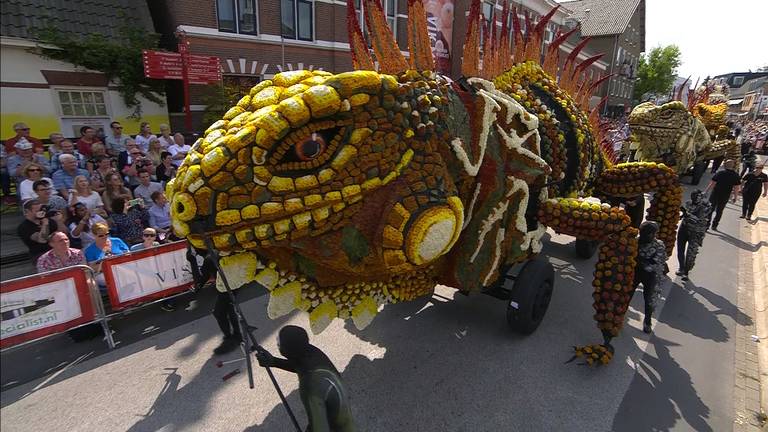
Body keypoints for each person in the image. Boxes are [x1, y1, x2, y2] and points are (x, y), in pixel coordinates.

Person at [256, 325, 355, 432]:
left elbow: (320, 428)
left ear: (285, 351)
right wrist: (274, 362)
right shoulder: (311, 351)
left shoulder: (309, 385)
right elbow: (299, 365)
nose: (276, 342)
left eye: (279, 342)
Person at [633, 221, 668, 334]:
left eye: (650, 234)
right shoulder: (635, 242)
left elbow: (656, 264)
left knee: (649, 300)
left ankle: (647, 322)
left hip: (650, 276)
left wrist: (640, 261)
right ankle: (620, 316)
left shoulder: (659, 245)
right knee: (627, 295)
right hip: (635, 273)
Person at [676, 190, 712, 281]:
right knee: (680, 249)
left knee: (691, 253)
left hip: (696, 232)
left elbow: (698, 218)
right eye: (693, 196)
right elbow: (685, 214)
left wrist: (686, 213)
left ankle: (686, 272)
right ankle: (681, 267)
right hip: (684, 228)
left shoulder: (705, 206)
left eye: (697, 196)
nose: (695, 198)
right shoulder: (689, 203)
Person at [84, 222, 130, 287]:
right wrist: (105, 263)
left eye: (106, 234)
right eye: (101, 235)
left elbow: (129, 255)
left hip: (122, 267)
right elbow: (93, 268)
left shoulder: (117, 240)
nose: (105, 237)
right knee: (113, 278)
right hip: (103, 273)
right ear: (94, 235)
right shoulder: (89, 250)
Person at [17, 199, 63, 264]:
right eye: (37, 210)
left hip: (57, 250)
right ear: (27, 211)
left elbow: (64, 233)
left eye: (41, 209)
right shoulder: (24, 227)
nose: (41, 212)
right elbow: (42, 239)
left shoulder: (49, 220)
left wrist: (59, 220)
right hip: (40, 254)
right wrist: (45, 223)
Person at [705, 159, 741, 231]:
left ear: (725, 165)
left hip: (715, 193)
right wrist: (735, 197)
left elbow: (712, 183)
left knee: (710, 209)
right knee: (719, 210)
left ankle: (706, 225)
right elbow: (736, 188)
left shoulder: (720, 173)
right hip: (725, 195)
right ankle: (714, 225)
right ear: (733, 166)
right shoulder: (736, 175)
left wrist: (706, 191)